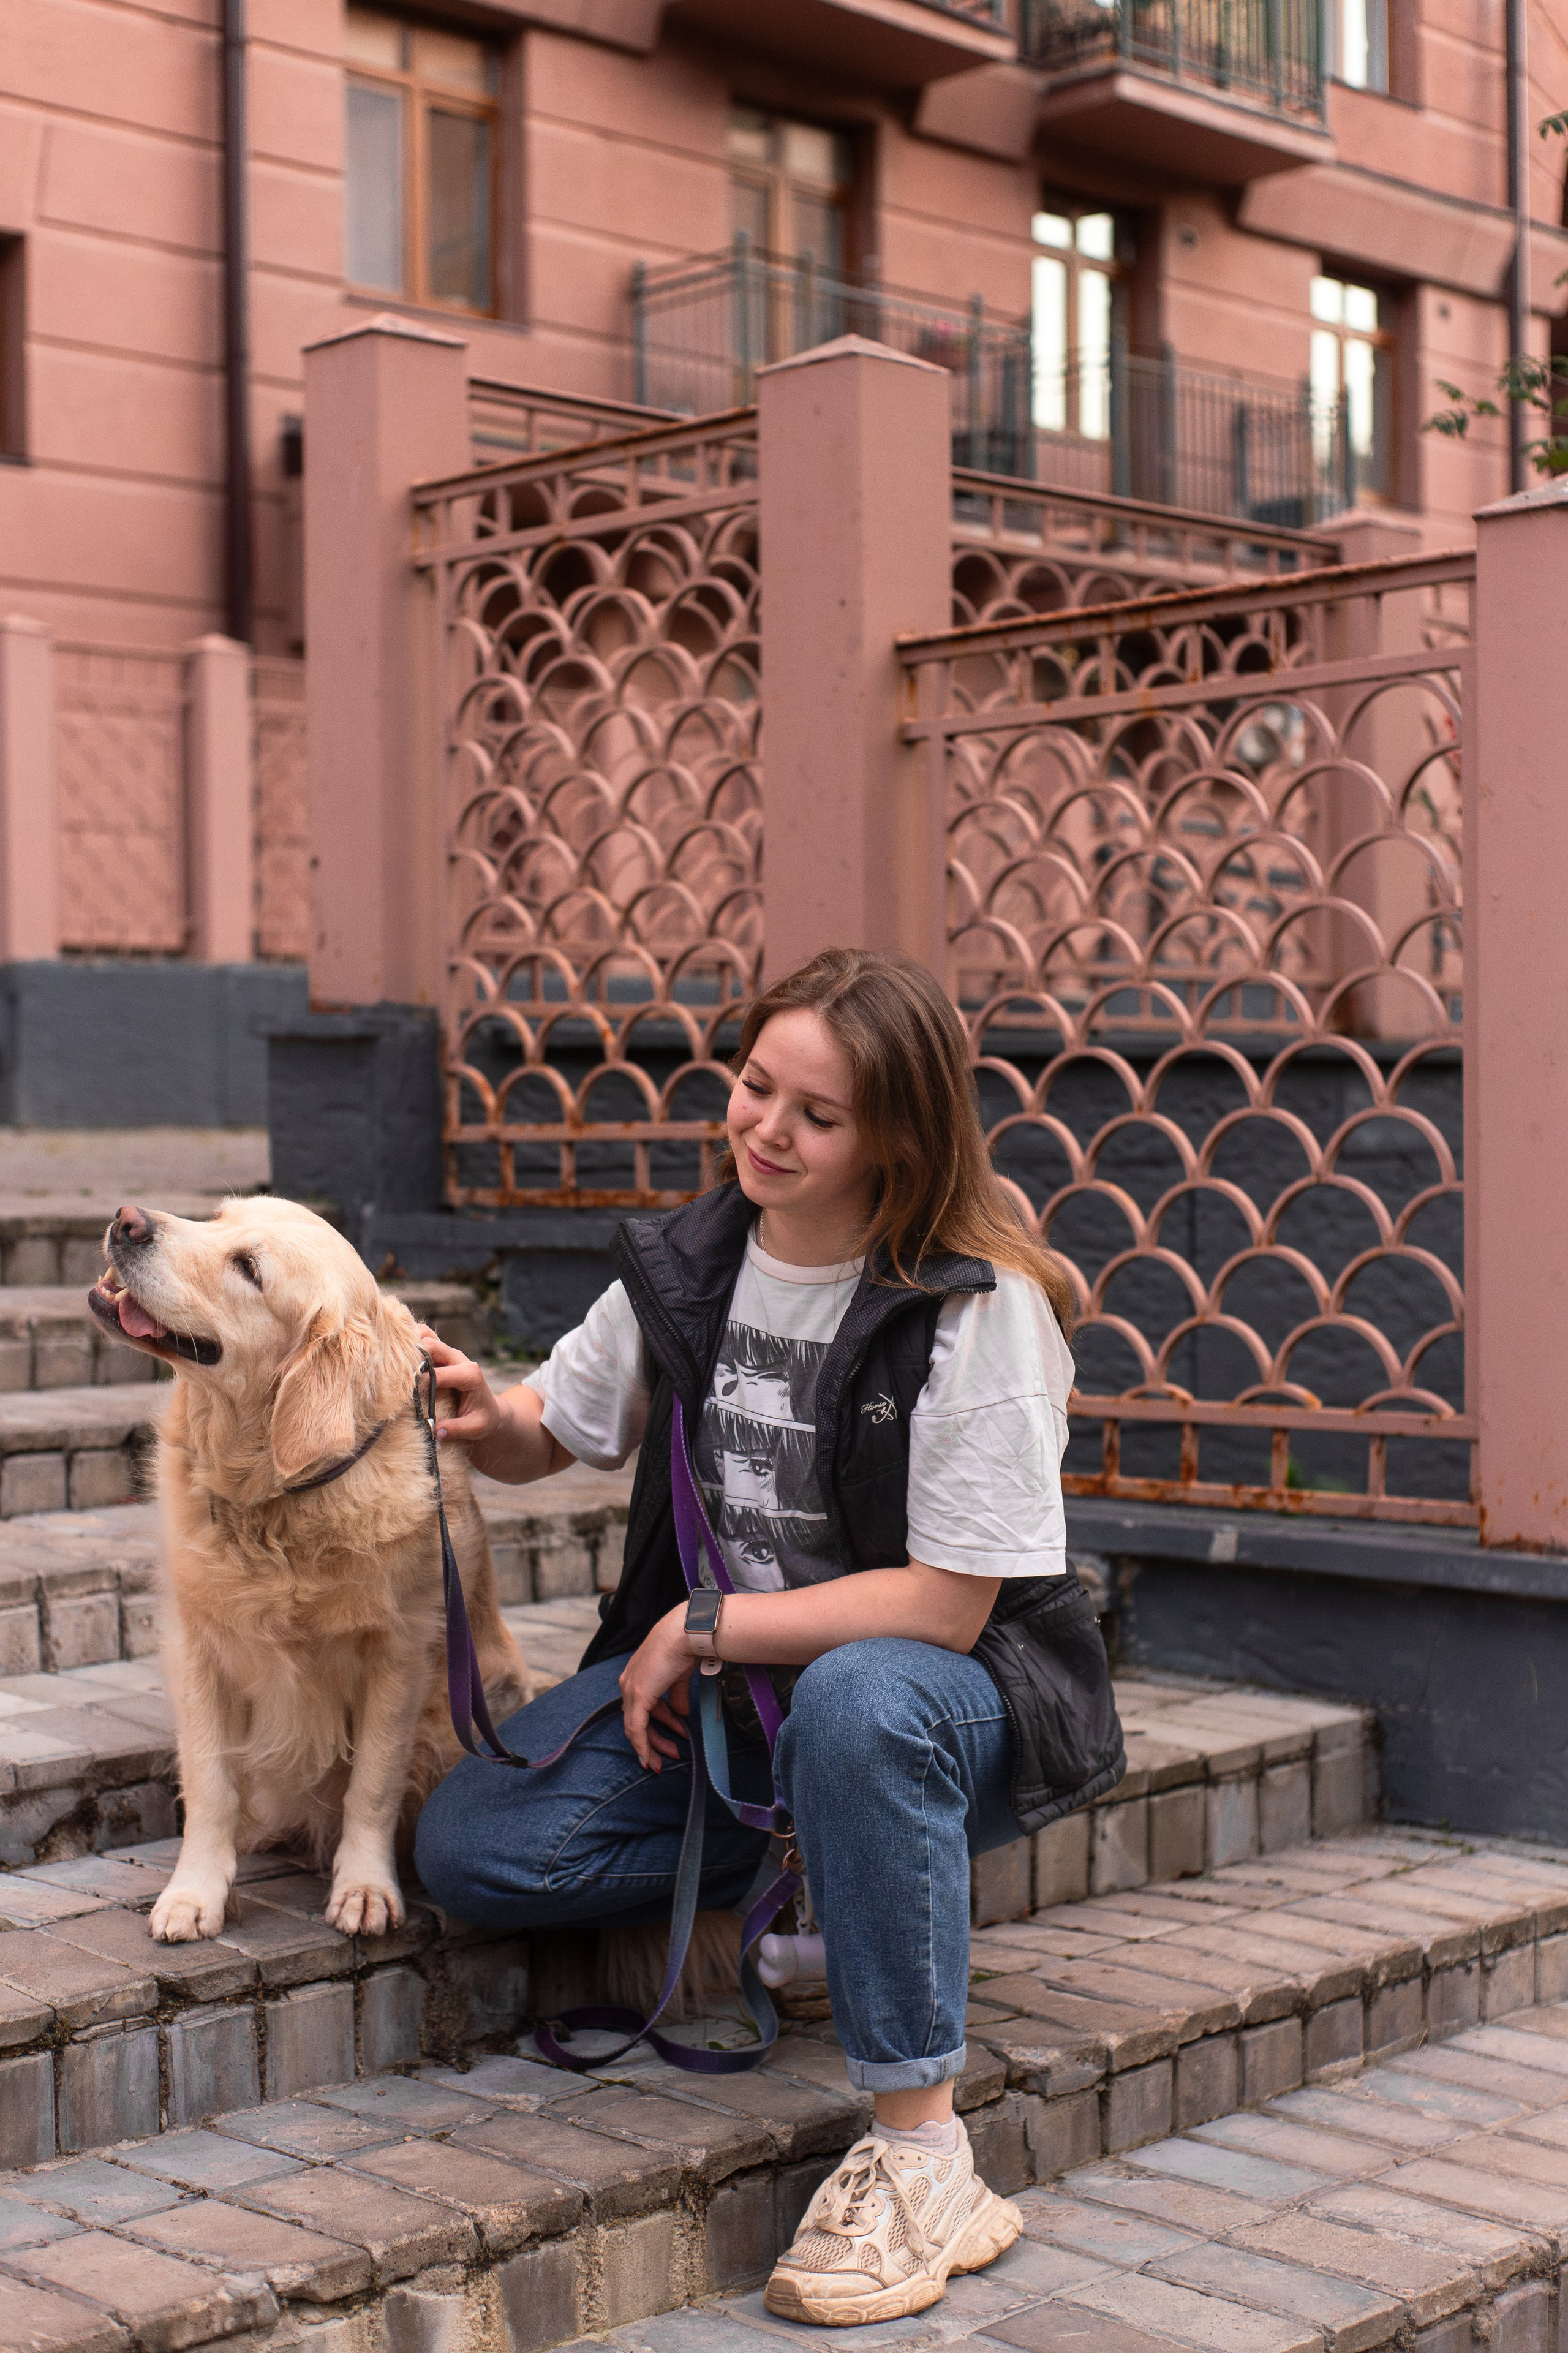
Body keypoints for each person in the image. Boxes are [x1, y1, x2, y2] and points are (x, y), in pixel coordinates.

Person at [415, 946, 1123, 2326]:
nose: (766, 1129)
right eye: (753, 1087)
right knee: (473, 1842)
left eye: (817, 1113)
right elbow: (548, 1426)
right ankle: (818, 1876)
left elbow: (944, 1606)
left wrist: (710, 1624)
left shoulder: (975, 1305)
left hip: (947, 1702)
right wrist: (473, 1409)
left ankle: (924, 2154)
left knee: (861, 1701)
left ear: (896, 1138)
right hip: (744, 1704)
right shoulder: (694, 1263)